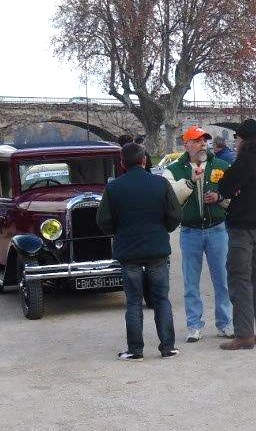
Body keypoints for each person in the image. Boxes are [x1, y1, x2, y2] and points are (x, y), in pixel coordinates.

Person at [96, 142, 183, 361]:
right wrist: (163, 229)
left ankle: (135, 349)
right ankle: (167, 347)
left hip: (129, 251)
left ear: (122, 164)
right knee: (161, 299)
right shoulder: (160, 184)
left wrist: (119, 232)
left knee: (133, 301)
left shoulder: (114, 188)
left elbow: (103, 221)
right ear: (144, 161)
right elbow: (175, 215)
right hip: (157, 249)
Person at [162, 125, 234, 342]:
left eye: (205, 140)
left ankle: (225, 322)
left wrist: (220, 199)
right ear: (187, 144)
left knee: (222, 279)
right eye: (197, 140)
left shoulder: (221, 165)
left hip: (217, 230)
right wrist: (191, 182)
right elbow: (172, 199)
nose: (203, 144)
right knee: (191, 281)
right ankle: (194, 325)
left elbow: (234, 195)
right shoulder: (174, 170)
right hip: (190, 231)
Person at [216, 118, 256, 350]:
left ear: (242, 139)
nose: (235, 142)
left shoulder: (246, 160)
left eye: (237, 138)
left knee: (240, 278)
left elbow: (225, 187)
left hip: (243, 225)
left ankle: (244, 334)